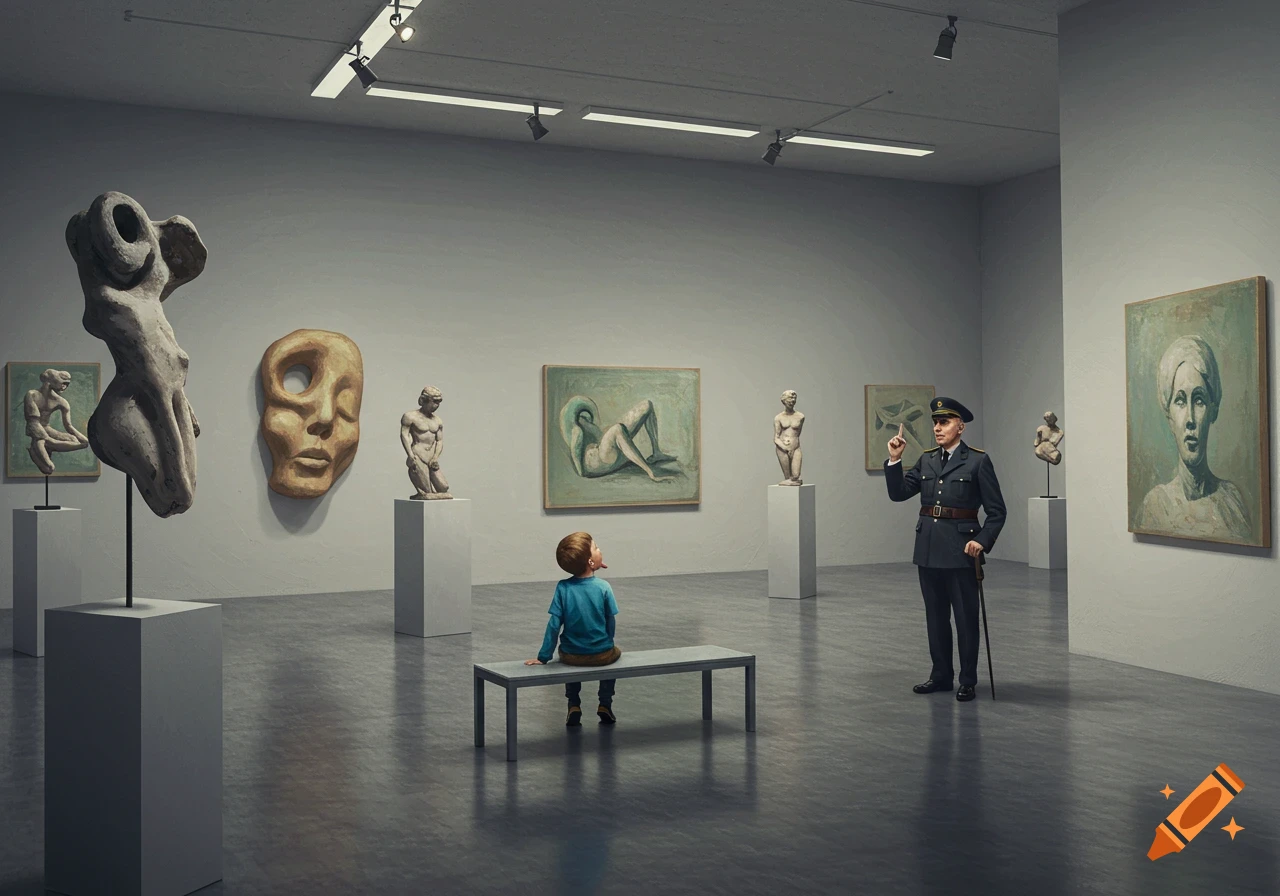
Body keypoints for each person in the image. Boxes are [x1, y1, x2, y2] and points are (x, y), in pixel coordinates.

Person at [884, 397, 1006, 702]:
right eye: (935, 423)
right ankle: (940, 676)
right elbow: (899, 494)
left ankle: (967, 680)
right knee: (935, 618)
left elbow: (997, 511)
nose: (938, 428)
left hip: (962, 551)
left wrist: (982, 541)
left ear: (960, 427)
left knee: (965, 619)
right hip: (928, 549)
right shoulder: (926, 460)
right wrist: (895, 461)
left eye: (944, 422)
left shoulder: (977, 461)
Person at [1137, 336, 1250, 541]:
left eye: (1199, 400)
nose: (1190, 419)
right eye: (1180, 401)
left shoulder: (1233, 503)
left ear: (1213, 411)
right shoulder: (1155, 507)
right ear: (1169, 416)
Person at [526, 532, 622, 725]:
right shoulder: (604, 587)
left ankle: (573, 704)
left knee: (570, 664)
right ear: (590, 561)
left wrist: (543, 656)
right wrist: (607, 642)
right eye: (596, 548)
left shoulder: (563, 587)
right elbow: (610, 621)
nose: (599, 549)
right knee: (614, 657)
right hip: (601, 654)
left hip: (571, 654)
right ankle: (605, 703)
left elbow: (554, 625)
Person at [559, 396, 677, 482]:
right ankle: (650, 471)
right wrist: (583, 472)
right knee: (617, 429)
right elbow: (581, 470)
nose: (587, 418)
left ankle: (657, 453)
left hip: (610, 455)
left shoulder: (588, 425)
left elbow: (601, 438)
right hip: (602, 462)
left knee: (646, 405)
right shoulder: (576, 431)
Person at [24, 369, 90, 475]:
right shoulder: (32, 395)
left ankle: (47, 446)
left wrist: (84, 441)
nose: (64, 387)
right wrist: (49, 440)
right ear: (51, 381)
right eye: (63, 383)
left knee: (74, 440)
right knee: (49, 467)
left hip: (47, 429)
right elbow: (33, 421)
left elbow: (68, 425)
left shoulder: (61, 402)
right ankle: (35, 450)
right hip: (36, 429)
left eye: (67, 384)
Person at [400, 385, 452, 499]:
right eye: (434, 402)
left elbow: (439, 441)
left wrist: (435, 457)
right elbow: (404, 435)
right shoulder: (410, 416)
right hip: (418, 454)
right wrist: (410, 455)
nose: (437, 406)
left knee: (444, 488)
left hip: (431, 457)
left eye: (438, 402)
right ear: (424, 400)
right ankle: (423, 491)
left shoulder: (437, 420)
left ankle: (428, 492)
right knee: (427, 491)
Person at [774, 390, 804, 485]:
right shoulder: (778, 418)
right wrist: (785, 447)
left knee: (795, 476)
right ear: (784, 401)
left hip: (795, 448)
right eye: (789, 399)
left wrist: (793, 446)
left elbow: (797, 434)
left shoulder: (800, 417)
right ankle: (790, 482)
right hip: (782, 448)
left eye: (794, 399)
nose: (792, 401)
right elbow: (776, 438)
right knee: (788, 477)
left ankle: (794, 481)